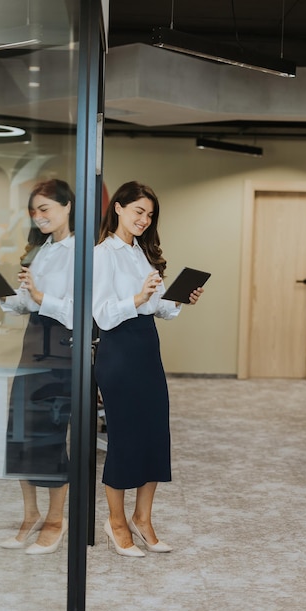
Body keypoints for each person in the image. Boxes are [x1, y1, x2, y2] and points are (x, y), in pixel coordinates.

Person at [92, 181, 203, 557]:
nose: (144, 219)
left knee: (155, 432)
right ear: (119, 208)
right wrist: (136, 298)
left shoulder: (142, 253)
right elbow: (103, 315)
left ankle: (144, 518)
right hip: (118, 349)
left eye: (150, 214)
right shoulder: (103, 254)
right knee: (125, 437)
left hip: (145, 347)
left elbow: (161, 311)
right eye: (139, 211)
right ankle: (116, 521)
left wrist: (179, 299)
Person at [0, 179, 75, 555]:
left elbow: (81, 311)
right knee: (19, 431)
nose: (38, 217)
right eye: (34, 212)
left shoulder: (83, 253)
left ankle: (55, 520)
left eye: (45, 209)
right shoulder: (42, 250)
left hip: (62, 348)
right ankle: (30, 515)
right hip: (33, 344)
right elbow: (25, 304)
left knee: (51, 434)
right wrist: (3, 293)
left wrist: (40, 297)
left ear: (67, 206)